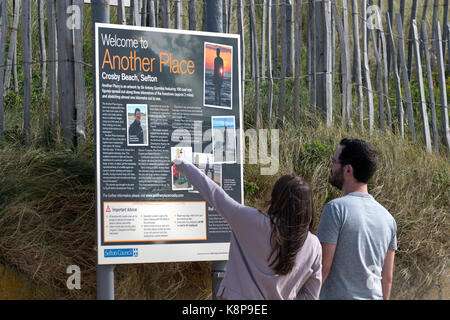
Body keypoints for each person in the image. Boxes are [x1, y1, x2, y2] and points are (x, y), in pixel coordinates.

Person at [169, 159, 322, 300]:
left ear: (276, 198)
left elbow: (214, 194)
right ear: (308, 207)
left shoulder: (249, 220)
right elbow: (310, 294)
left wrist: (183, 166)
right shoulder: (314, 246)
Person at [317, 138, 397, 300]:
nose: (331, 167)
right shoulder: (388, 219)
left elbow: (321, 270)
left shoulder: (335, 209)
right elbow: (387, 279)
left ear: (348, 170)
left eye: (334, 162)